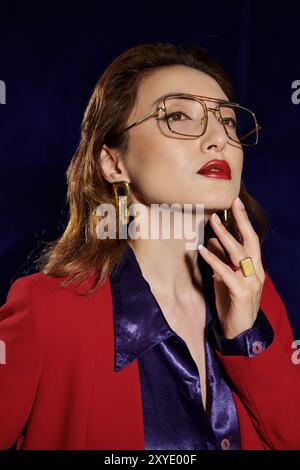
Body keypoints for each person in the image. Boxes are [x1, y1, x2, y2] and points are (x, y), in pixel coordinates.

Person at [1, 42, 300, 451]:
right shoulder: (46, 310)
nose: (219, 140)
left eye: (228, 122)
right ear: (113, 163)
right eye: (178, 115)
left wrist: (247, 338)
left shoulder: (260, 304)